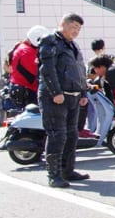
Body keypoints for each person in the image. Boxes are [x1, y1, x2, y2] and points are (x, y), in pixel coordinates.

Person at [38, 13, 91, 188]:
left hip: (74, 96)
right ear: (63, 24)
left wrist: (83, 93)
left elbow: (80, 70)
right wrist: (56, 92)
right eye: (73, 26)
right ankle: (54, 175)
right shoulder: (50, 40)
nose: (76, 31)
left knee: (72, 135)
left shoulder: (72, 45)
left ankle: (68, 170)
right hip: (55, 97)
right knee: (57, 135)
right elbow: (47, 69)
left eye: (78, 28)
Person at [8, 25, 51, 110]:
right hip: (26, 91)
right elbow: (39, 73)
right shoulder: (26, 52)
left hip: (25, 89)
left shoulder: (25, 48)